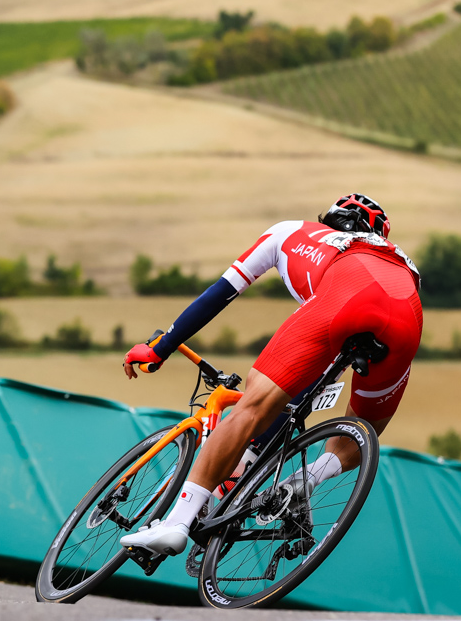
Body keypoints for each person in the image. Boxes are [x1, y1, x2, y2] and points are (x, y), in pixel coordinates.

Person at [119, 193, 423, 556]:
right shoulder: (401, 260)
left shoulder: (291, 232)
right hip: (408, 315)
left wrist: (159, 348)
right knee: (361, 432)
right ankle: (303, 481)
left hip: (348, 292)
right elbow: (325, 368)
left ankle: (176, 524)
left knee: (250, 408)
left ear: (329, 219)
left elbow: (218, 295)